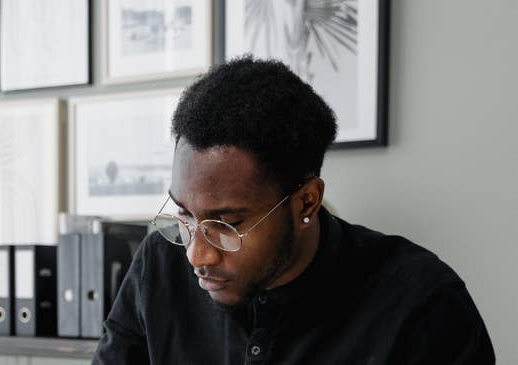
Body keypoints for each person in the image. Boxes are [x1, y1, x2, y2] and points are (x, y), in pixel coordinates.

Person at [92, 57, 494, 364]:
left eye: (227, 224)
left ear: (306, 202)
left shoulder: (423, 305)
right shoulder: (159, 267)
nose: (197, 254)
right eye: (185, 217)